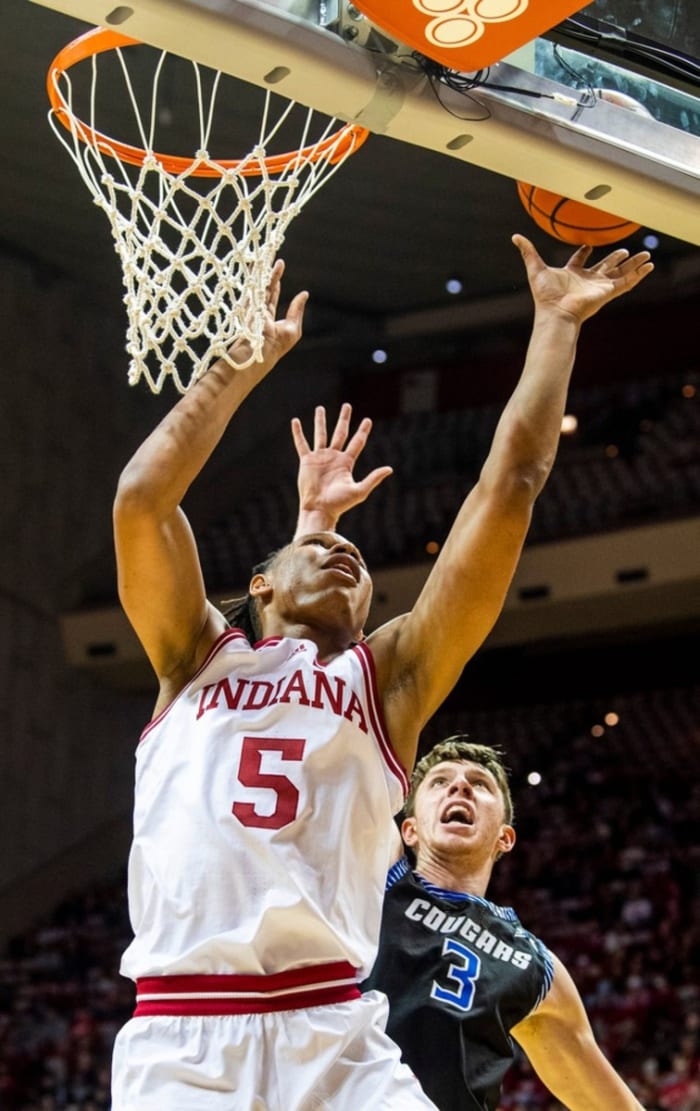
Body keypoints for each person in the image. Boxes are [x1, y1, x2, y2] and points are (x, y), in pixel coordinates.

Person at [111, 235, 652, 1109]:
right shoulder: (191, 654)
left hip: (334, 1034)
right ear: (258, 583)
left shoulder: (385, 681)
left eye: (357, 558)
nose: (343, 557)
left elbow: (508, 485)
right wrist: (238, 364)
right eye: (319, 547)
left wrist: (555, 324)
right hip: (184, 1038)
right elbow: (143, 499)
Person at [363, 738, 648, 1111]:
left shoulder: (531, 963)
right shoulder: (378, 874)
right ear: (410, 830)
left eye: (479, 784)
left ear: (505, 837)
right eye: (439, 782)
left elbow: (608, 1103)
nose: (460, 786)